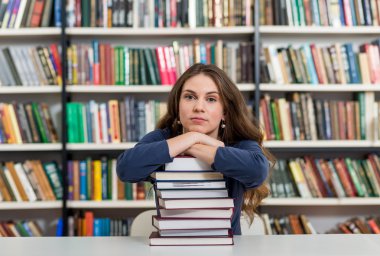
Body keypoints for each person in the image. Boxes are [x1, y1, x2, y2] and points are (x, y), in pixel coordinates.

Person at [116, 63, 274, 235]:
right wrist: (193, 137)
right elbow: (126, 168)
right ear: (177, 106)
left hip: (226, 249)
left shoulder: (238, 144)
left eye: (211, 99)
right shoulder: (163, 138)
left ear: (225, 112)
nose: (199, 107)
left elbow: (258, 171)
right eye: (190, 97)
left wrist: (189, 146)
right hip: (173, 247)